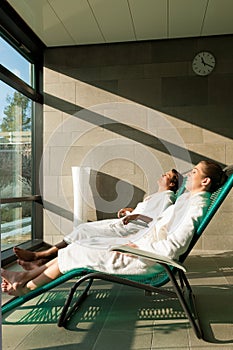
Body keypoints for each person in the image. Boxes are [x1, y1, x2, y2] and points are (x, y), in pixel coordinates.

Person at [1, 160, 227, 297]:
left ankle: (26, 287)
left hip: (146, 259)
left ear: (205, 182)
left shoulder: (195, 206)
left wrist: (136, 247)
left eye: (195, 172)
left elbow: (173, 246)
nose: (189, 174)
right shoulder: (190, 202)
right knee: (80, 243)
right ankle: (26, 276)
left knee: (77, 250)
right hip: (140, 248)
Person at [13, 169, 181, 269]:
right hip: (127, 223)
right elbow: (146, 211)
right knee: (83, 230)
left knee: (84, 230)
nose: (162, 175)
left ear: (172, 184)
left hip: (133, 231)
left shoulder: (167, 198)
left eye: (166, 175)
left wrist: (137, 216)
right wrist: (132, 211)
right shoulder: (156, 196)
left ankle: (42, 256)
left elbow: (158, 221)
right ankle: (43, 260)